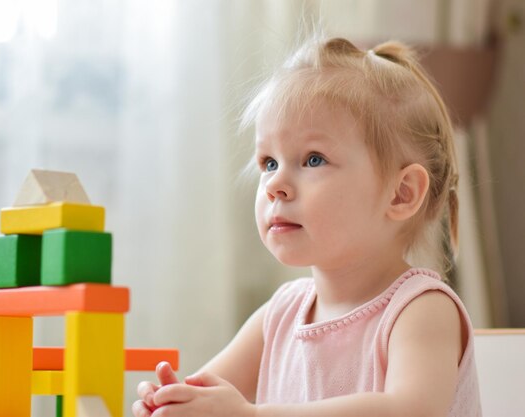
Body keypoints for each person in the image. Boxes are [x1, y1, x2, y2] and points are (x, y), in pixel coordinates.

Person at [132, 36, 481, 417]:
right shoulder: (279, 315)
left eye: (313, 160)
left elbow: (409, 410)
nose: (274, 184)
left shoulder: (421, 309)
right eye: (268, 162)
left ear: (401, 194)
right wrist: (172, 402)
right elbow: (208, 396)